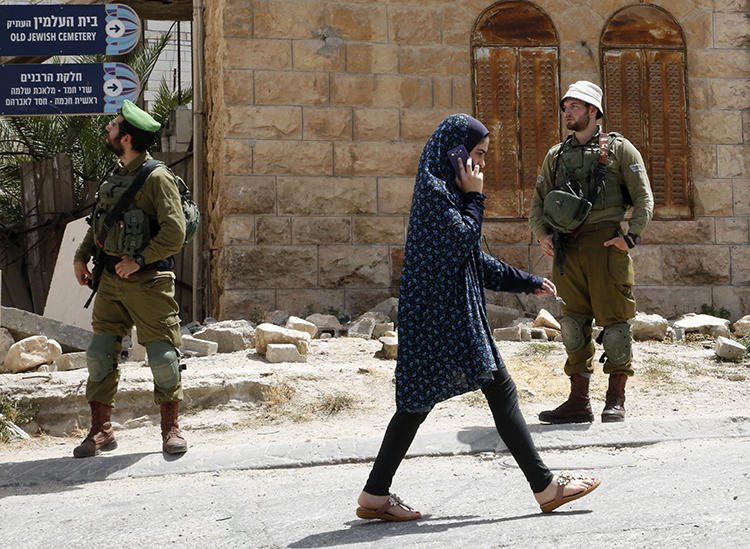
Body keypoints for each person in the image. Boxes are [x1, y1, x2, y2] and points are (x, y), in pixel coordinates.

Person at [355, 114, 600, 522]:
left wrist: (526, 281)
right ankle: (546, 488)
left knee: (417, 403)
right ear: (454, 152)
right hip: (445, 317)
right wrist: (475, 196)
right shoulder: (438, 192)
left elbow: (472, 260)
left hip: (441, 315)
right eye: (477, 154)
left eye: (484, 156)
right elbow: (466, 239)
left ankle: (375, 494)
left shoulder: (444, 191)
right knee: (498, 392)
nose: (481, 164)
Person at [529, 81, 654, 424]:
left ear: (593, 111)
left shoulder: (620, 150)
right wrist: (542, 234)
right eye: (565, 106)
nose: (567, 111)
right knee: (572, 325)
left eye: (575, 106)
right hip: (568, 250)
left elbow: (643, 196)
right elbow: (539, 200)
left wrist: (631, 238)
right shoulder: (556, 155)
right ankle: (578, 402)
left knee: (614, 325)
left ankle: (615, 399)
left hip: (606, 247)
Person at [72, 100, 188, 457]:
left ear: (126, 138)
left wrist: (138, 261)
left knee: (162, 355)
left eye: (113, 125)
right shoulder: (116, 176)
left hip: (149, 282)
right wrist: (81, 255)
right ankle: (101, 430)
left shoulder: (157, 178)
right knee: (99, 354)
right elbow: (101, 223)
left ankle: (171, 428)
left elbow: (175, 232)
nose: (108, 127)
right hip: (109, 281)